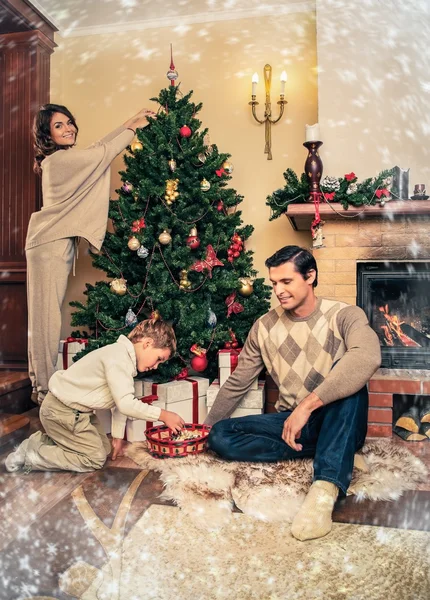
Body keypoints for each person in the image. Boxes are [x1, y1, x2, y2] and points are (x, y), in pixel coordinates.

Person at [205, 245, 381, 541]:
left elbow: (368, 357)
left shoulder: (344, 315)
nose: (278, 291)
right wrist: (205, 429)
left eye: (286, 282)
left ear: (310, 276)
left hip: (338, 417)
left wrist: (307, 406)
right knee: (220, 436)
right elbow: (239, 382)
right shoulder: (263, 327)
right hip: (292, 426)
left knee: (350, 376)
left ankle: (324, 489)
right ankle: (338, 453)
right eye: (274, 283)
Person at [26, 103, 156, 406]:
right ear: (47, 134)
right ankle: (44, 391)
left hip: (54, 244)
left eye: (69, 122)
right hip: (48, 245)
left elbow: (99, 147)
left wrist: (131, 119)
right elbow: (102, 154)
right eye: (59, 126)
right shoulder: (57, 161)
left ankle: (41, 387)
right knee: (45, 321)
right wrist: (135, 127)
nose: (68, 128)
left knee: (46, 318)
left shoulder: (67, 158)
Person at [5, 318, 184, 473]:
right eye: (159, 358)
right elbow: (125, 404)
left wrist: (117, 437)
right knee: (94, 458)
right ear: (147, 343)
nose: (156, 366)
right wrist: (163, 415)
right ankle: (30, 455)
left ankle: (42, 441)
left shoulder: (123, 359)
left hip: (79, 415)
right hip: (61, 411)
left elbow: (119, 403)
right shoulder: (118, 358)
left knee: (104, 448)